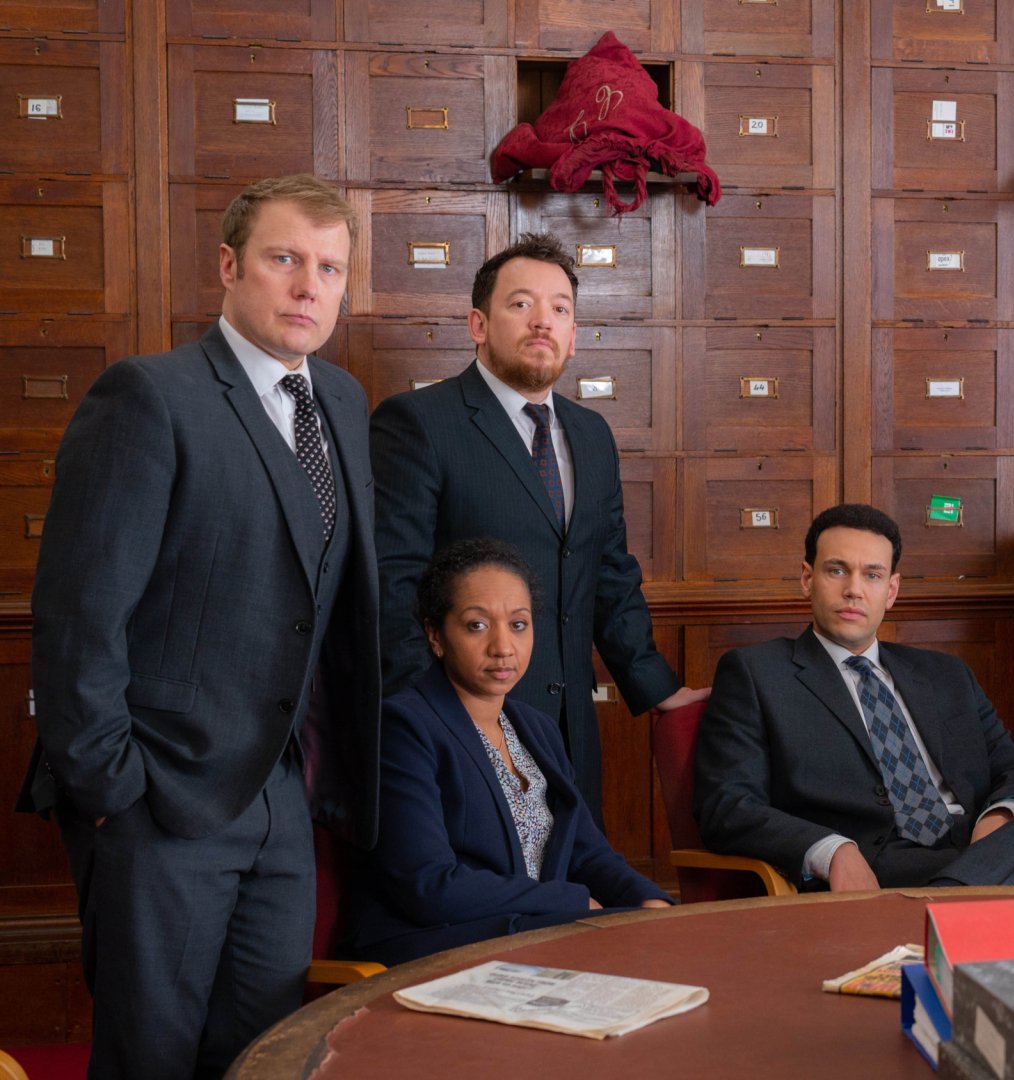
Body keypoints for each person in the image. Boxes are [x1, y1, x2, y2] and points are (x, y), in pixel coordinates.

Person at [19, 175, 381, 1079]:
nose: (308, 287)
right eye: (284, 259)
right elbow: (78, 618)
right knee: (152, 1059)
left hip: (280, 799)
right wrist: (113, 792)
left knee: (261, 1055)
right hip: (158, 801)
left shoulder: (339, 401)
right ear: (229, 265)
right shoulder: (149, 397)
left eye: (329, 268)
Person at [371, 233, 705, 825]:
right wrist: (429, 717)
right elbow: (396, 587)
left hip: (570, 730)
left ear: (574, 334)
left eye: (559, 309)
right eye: (521, 304)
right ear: (478, 323)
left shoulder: (592, 434)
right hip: (465, 722)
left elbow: (609, 573)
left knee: (578, 892)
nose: (542, 322)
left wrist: (657, 688)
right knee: (489, 900)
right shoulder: (419, 422)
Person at [695, 504, 1014, 891]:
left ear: (891, 590)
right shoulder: (757, 673)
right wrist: (831, 849)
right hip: (883, 863)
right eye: (837, 570)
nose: (854, 588)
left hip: (978, 846)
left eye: (872, 575)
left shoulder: (945, 673)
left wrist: (1001, 816)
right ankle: (1004, 888)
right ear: (806, 579)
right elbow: (728, 806)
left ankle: (964, 893)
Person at [349, 539, 672, 965]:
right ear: (435, 635)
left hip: (533, 936)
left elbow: (586, 851)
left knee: (667, 941)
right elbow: (428, 886)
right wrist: (571, 902)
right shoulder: (405, 726)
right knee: (624, 952)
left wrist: (647, 899)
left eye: (518, 625)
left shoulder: (534, 727)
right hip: (434, 946)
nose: (503, 647)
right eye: (477, 626)